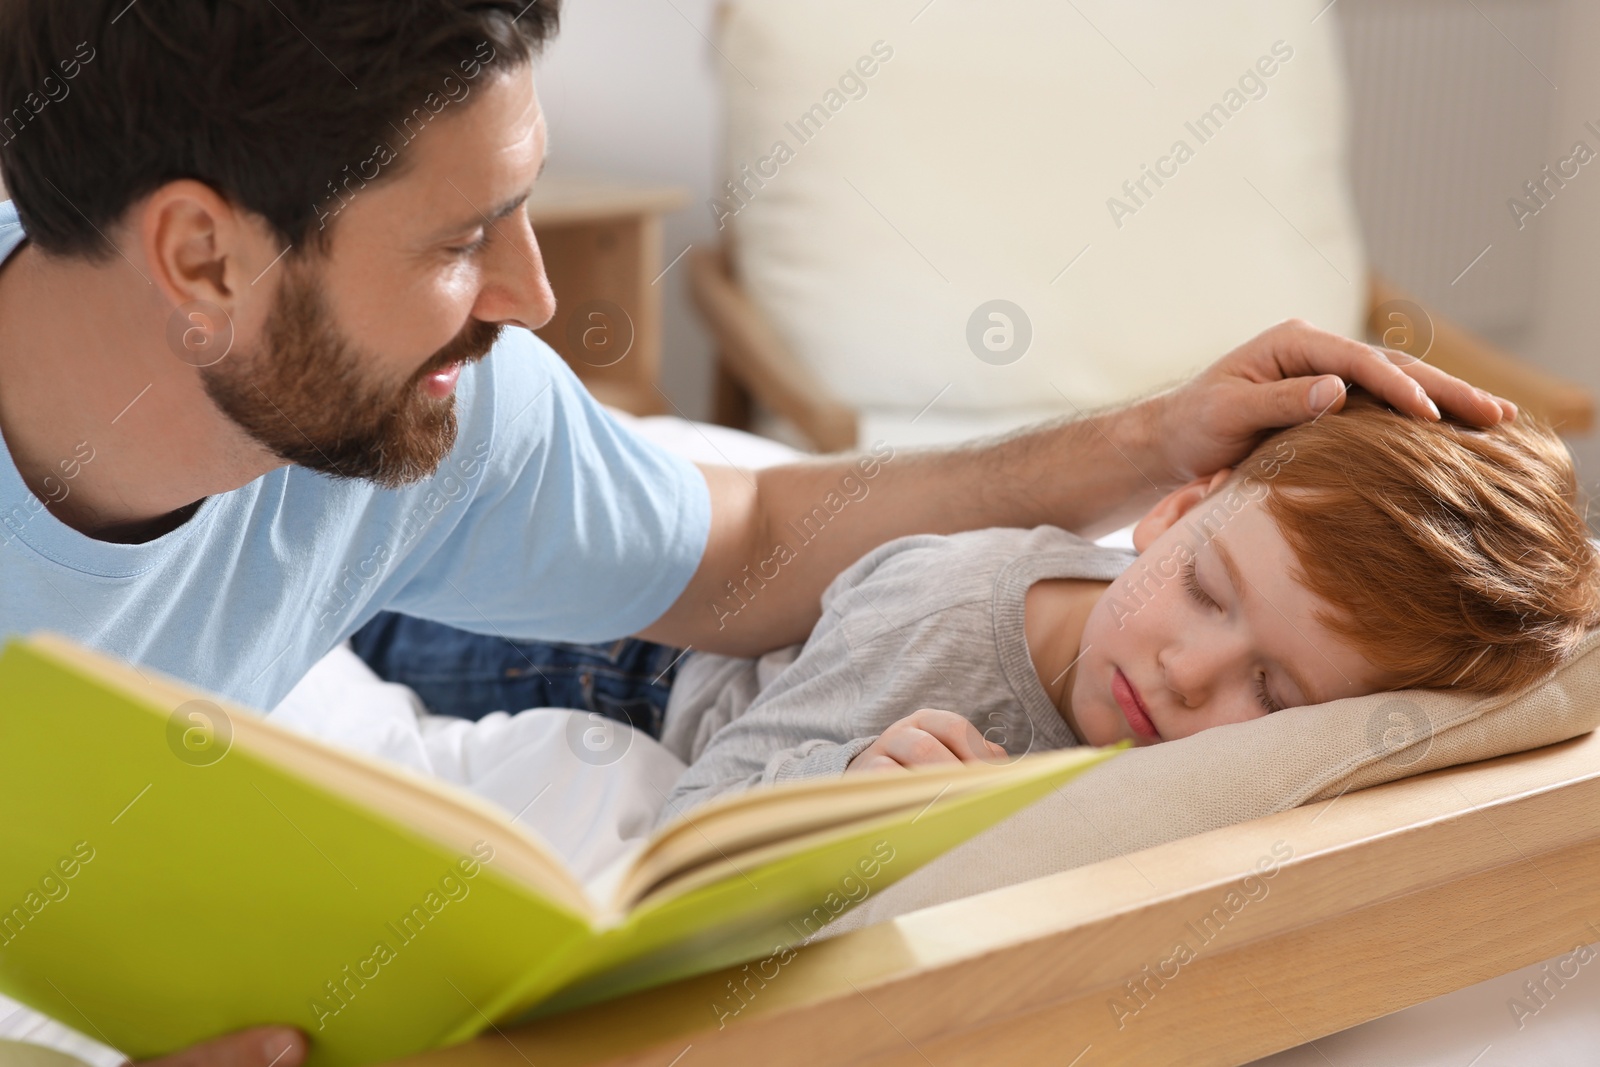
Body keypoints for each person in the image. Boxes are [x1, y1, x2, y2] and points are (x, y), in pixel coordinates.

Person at [0, 2, 1515, 1065]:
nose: (535, 298)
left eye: (520, 213)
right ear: (202, 254)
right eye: (463, 243)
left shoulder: (447, 413)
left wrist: (1136, 441)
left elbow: (749, 540)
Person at [655, 391, 1600, 822]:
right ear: (1176, 508)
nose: (1186, 673)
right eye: (1204, 588)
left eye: (1272, 695)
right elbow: (689, 815)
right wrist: (847, 780)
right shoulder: (938, 629)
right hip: (632, 668)